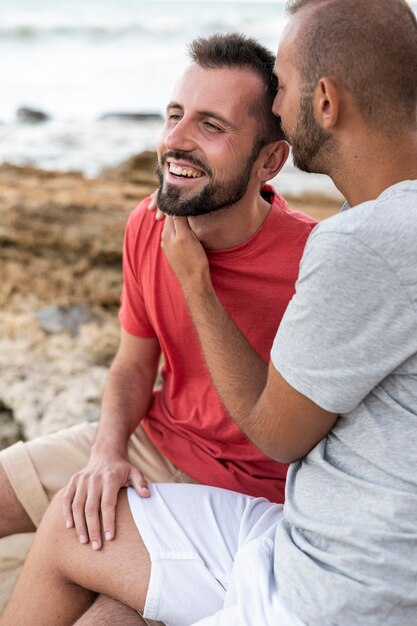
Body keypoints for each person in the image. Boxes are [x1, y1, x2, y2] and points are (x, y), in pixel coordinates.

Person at [3, 0, 416, 624]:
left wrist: (197, 286)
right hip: (155, 442)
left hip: (254, 497)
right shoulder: (151, 223)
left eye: (211, 125)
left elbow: (282, 439)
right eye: (174, 115)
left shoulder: (325, 258)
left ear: (271, 159)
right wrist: (107, 451)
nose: (176, 139)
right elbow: (131, 364)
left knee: (104, 613)